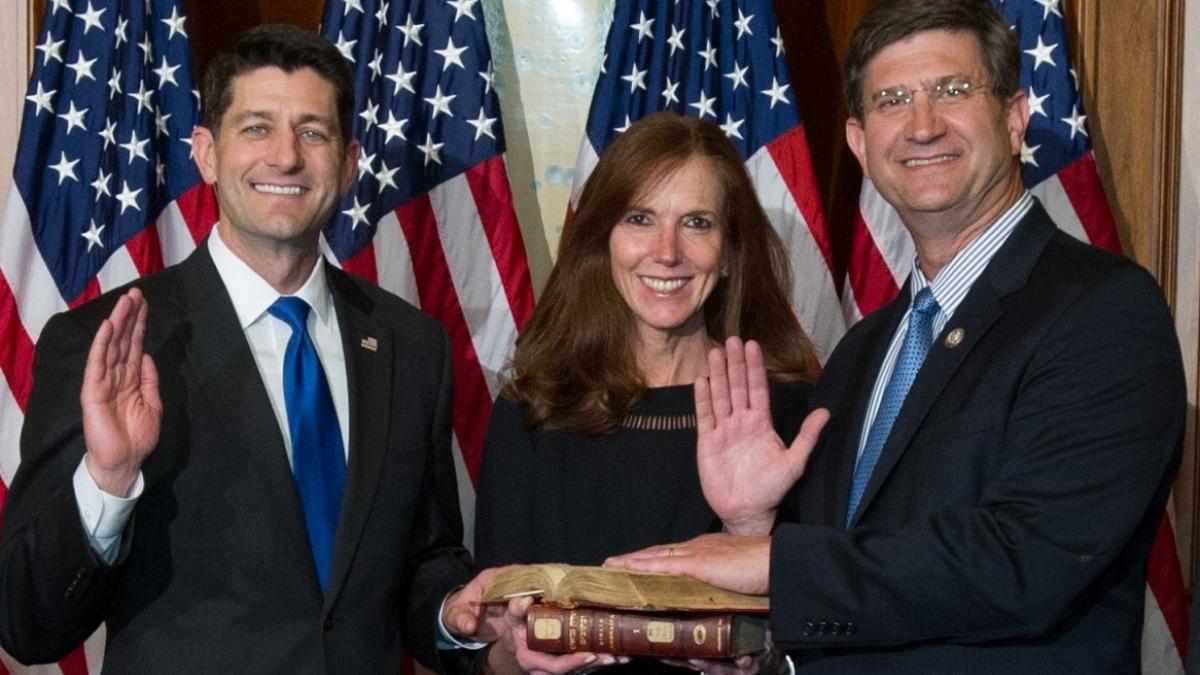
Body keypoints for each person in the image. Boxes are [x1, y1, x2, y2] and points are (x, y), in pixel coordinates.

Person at [608, 1, 1185, 672]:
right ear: (859, 141)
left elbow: (1027, 562)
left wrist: (774, 560)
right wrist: (753, 528)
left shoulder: (1103, 311)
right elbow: (859, 598)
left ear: (1014, 114)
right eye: (892, 100)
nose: (922, 125)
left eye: (951, 89)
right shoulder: (864, 350)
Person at [0, 24, 504, 673]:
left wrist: (450, 613)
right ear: (206, 153)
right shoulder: (108, 346)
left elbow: (419, 560)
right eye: (257, 128)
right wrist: (107, 481)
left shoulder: (412, 344)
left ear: (349, 161)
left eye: (313, 132)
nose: (286, 157)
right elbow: (28, 624)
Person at [473, 112, 823, 674]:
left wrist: (751, 535)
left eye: (697, 223)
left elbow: (824, 634)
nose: (666, 251)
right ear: (603, 239)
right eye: (640, 218)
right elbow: (497, 645)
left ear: (731, 251)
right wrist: (515, 657)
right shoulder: (533, 410)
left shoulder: (790, 414)